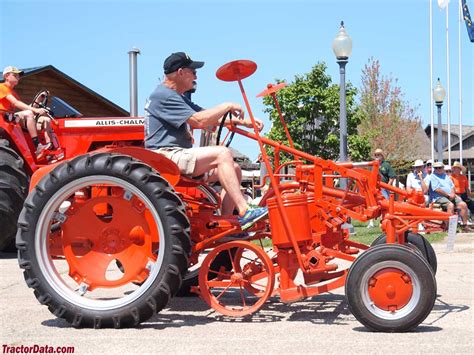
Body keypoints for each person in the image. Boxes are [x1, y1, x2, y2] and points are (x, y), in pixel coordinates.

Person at [144, 52, 267, 231]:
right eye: (193, 71)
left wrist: (245, 122)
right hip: (166, 155)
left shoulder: (176, 96)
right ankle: (245, 210)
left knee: (235, 168)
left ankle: (225, 223)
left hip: (174, 154)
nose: (196, 75)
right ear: (180, 72)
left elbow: (210, 117)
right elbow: (199, 121)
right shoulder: (164, 95)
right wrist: (227, 105)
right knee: (222, 153)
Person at [0, 66, 53, 157]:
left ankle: (49, 147)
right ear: (6, 76)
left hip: (11, 117)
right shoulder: (1, 87)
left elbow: (24, 108)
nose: (18, 77)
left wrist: (38, 100)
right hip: (3, 117)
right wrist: (35, 110)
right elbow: (16, 103)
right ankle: (37, 146)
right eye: (15, 75)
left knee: (45, 120)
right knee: (29, 113)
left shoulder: (13, 93)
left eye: (18, 75)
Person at [427, 162, 472, 232]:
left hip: (452, 195)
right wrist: (448, 195)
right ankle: (449, 228)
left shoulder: (446, 176)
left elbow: (452, 186)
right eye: (436, 168)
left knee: (463, 204)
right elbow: (436, 189)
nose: (438, 169)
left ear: (443, 168)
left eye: (440, 168)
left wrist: (453, 193)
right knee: (450, 205)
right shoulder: (433, 176)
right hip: (438, 197)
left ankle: (465, 226)